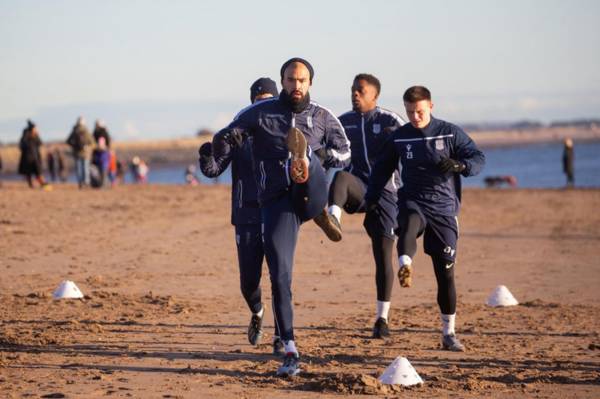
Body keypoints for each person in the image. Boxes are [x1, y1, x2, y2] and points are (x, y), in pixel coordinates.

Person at [210, 58, 350, 377]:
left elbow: (346, 153)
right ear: (282, 81)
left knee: (310, 163)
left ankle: (308, 174)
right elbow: (225, 138)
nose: (295, 85)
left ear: (310, 83)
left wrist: (326, 156)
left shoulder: (323, 117)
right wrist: (227, 139)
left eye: (301, 80)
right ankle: (289, 347)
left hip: (310, 189)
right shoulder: (258, 114)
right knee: (279, 273)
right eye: (290, 79)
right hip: (276, 202)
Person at [366, 86, 485, 352]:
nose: (415, 117)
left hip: (444, 209)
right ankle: (405, 262)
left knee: (446, 274)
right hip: (413, 200)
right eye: (410, 112)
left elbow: (478, 157)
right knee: (407, 225)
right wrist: (371, 199)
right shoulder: (400, 137)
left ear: (431, 106)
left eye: (419, 111)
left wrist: (460, 166)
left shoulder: (450, 132)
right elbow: (382, 169)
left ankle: (448, 333)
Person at [315, 74, 406, 338]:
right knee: (341, 178)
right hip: (358, 188)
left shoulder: (390, 121)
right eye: (353, 90)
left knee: (382, 255)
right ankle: (333, 219)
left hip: (387, 193)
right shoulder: (343, 123)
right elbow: (326, 152)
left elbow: (413, 146)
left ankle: (382, 319)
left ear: (374, 96)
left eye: (361, 91)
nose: (355, 94)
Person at [199, 77, 284, 354]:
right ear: (252, 104)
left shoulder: (282, 132)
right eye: (260, 101)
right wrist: (207, 155)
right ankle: (258, 312)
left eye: (270, 100)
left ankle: (283, 335)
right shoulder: (237, 133)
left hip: (277, 214)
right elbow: (214, 170)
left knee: (279, 276)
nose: (265, 105)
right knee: (249, 282)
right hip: (245, 214)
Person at [18, 120, 49, 189]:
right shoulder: (25, 136)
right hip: (27, 157)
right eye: (35, 128)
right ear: (32, 129)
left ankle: (42, 184)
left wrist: (37, 135)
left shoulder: (35, 136)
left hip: (35, 156)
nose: (36, 129)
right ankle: (31, 184)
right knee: (29, 172)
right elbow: (22, 145)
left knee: (38, 171)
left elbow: (40, 143)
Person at [66, 116, 94, 188]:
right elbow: (92, 141)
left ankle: (80, 183)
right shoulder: (86, 130)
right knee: (86, 168)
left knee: (79, 168)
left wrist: (74, 146)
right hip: (86, 153)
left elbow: (68, 141)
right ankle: (86, 182)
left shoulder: (75, 130)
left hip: (77, 153)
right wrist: (87, 146)